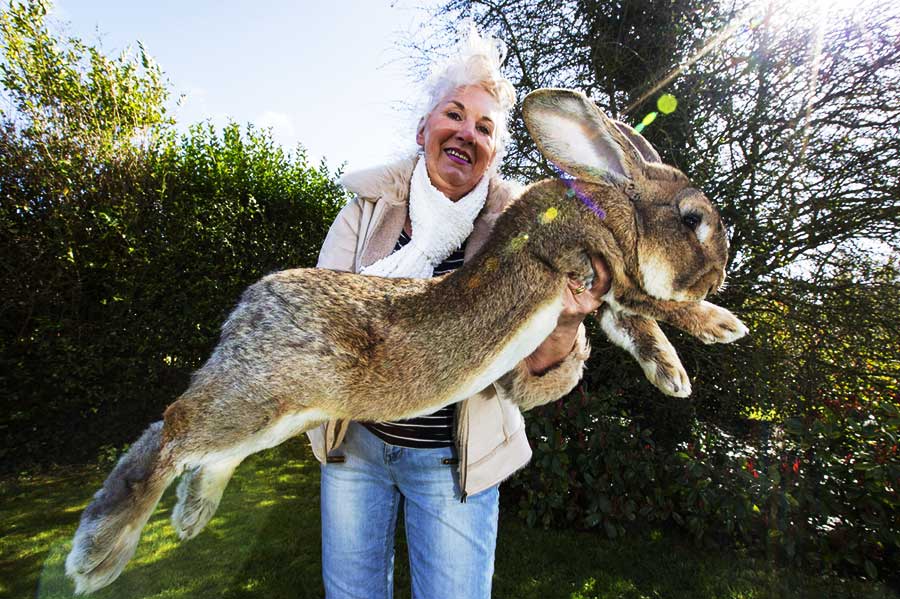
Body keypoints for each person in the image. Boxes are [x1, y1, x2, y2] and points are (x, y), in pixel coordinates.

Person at [307, 26, 610, 599]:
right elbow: (325, 323)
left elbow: (528, 382)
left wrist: (567, 321)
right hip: (358, 449)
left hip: (455, 461)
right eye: (455, 114)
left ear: (494, 153)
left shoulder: (524, 233)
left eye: (485, 127)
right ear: (424, 128)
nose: (467, 132)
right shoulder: (366, 209)